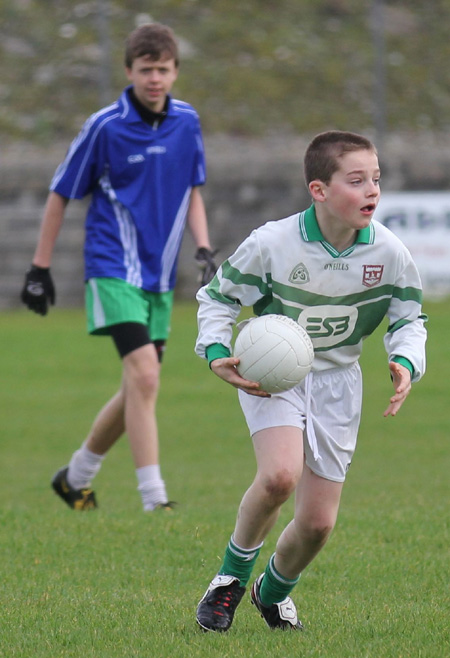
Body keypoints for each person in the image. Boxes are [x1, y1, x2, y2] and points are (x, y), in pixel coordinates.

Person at [194, 131, 427, 631]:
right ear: (319, 190)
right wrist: (216, 351)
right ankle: (229, 581)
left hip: (339, 382)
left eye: (376, 180)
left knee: (319, 524)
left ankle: (272, 591)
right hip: (272, 376)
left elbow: (409, 318)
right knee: (279, 476)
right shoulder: (273, 243)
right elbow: (218, 298)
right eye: (357, 180)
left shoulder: (388, 253)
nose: (372, 192)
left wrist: (406, 361)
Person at [20, 23, 217, 512]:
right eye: (146, 70)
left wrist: (205, 249)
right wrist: (39, 268)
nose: (155, 78)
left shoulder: (187, 122)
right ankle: (156, 500)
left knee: (138, 383)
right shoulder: (105, 126)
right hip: (111, 267)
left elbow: (193, 189)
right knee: (146, 377)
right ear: (129, 71)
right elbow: (61, 192)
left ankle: (76, 475)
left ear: (175, 72)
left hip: (159, 275)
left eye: (164, 69)